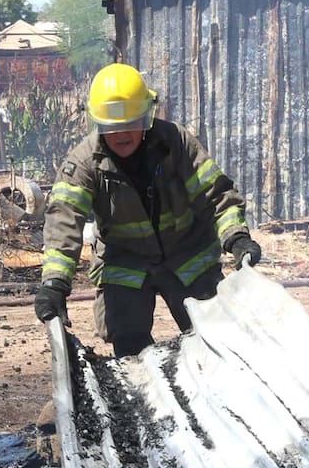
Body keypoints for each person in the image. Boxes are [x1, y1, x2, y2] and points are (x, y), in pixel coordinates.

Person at [34, 63, 261, 357]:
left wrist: (236, 237)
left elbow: (215, 194)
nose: (122, 134)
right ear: (98, 124)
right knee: (129, 346)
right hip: (125, 263)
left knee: (217, 339)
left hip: (187, 256)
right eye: (112, 126)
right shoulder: (83, 163)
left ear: (147, 115)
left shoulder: (176, 144)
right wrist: (55, 283)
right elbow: (63, 224)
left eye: (131, 122)